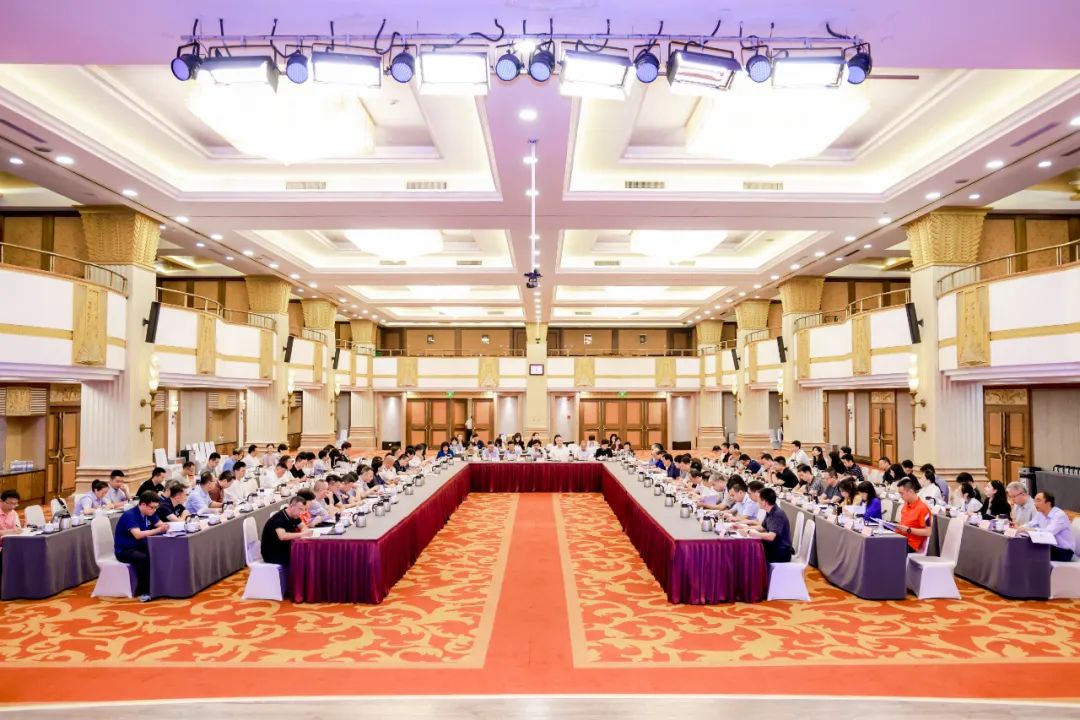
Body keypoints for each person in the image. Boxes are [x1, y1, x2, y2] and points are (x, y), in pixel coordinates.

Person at [114, 491, 170, 601]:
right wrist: (158, 530)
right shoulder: (130, 515)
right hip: (125, 550)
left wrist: (165, 527)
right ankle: (144, 591)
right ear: (143, 504)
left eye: (156, 508)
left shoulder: (150, 513)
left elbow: (161, 525)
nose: (154, 510)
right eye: (152, 507)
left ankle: (161, 584)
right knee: (143, 558)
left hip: (140, 546)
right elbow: (138, 535)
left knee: (158, 553)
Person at [261, 490, 314, 568]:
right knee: (304, 557)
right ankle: (298, 576)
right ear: (291, 506)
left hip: (284, 548)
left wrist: (304, 531)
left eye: (303, 510)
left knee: (309, 553)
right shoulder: (279, 518)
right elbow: (282, 536)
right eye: (300, 509)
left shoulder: (294, 516)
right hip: (273, 553)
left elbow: (303, 526)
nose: (301, 513)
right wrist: (302, 534)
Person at [1024, 492, 1077, 562]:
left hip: (1065, 551)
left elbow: (1049, 532)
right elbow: (1030, 524)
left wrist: (1029, 530)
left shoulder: (1059, 515)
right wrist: (1019, 528)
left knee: (1031, 549)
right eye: (1035, 501)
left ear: (1048, 503)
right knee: (1025, 545)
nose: (1035, 503)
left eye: (1038, 500)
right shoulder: (1040, 513)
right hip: (1051, 547)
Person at [745, 488, 793, 563]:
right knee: (751, 550)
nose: (757, 501)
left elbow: (771, 536)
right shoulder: (770, 510)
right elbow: (762, 528)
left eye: (759, 499)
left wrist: (751, 533)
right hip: (773, 547)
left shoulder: (777, 514)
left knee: (751, 554)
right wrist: (746, 528)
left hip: (780, 552)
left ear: (764, 502)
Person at [895, 478, 932, 553]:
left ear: (911, 491)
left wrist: (909, 530)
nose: (900, 496)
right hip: (900, 538)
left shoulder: (923, 509)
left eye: (902, 493)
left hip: (910, 544)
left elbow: (928, 532)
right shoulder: (906, 504)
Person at [0, 489, 22, 574]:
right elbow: (14, 531)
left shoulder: (13, 513)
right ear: (1, 501)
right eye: (10, 503)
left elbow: (18, 529)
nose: (12, 507)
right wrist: (12, 531)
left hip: (10, 545)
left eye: (15, 504)